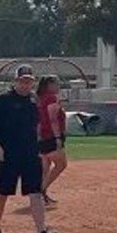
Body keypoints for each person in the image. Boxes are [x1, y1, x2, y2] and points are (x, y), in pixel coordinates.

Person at [0, 65, 60, 233]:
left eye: (29, 81)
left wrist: (38, 146)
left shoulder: (34, 101)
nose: (26, 84)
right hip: (8, 154)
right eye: (23, 80)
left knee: (35, 193)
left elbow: (36, 126)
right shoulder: (3, 100)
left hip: (30, 153)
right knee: (3, 193)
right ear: (16, 81)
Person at [36, 75, 68, 206]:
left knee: (45, 167)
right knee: (61, 164)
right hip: (50, 136)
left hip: (42, 137)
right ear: (49, 85)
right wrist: (57, 137)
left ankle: (41, 195)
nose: (58, 86)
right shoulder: (51, 98)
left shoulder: (40, 99)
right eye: (56, 83)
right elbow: (53, 119)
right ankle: (41, 190)